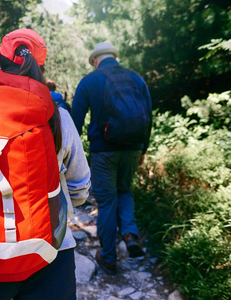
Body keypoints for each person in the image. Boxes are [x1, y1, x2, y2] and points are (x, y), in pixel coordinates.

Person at [0, 28, 91, 300]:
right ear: (39, 68)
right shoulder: (58, 118)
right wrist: (70, 202)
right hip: (50, 253)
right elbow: (80, 184)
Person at [71, 42, 152, 275]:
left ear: (95, 60)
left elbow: (75, 122)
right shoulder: (137, 79)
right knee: (124, 191)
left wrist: (71, 157)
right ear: (115, 57)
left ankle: (108, 257)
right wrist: (143, 150)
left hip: (104, 150)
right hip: (134, 147)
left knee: (106, 201)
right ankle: (129, 233)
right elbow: (149, 115)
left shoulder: (89, 81)